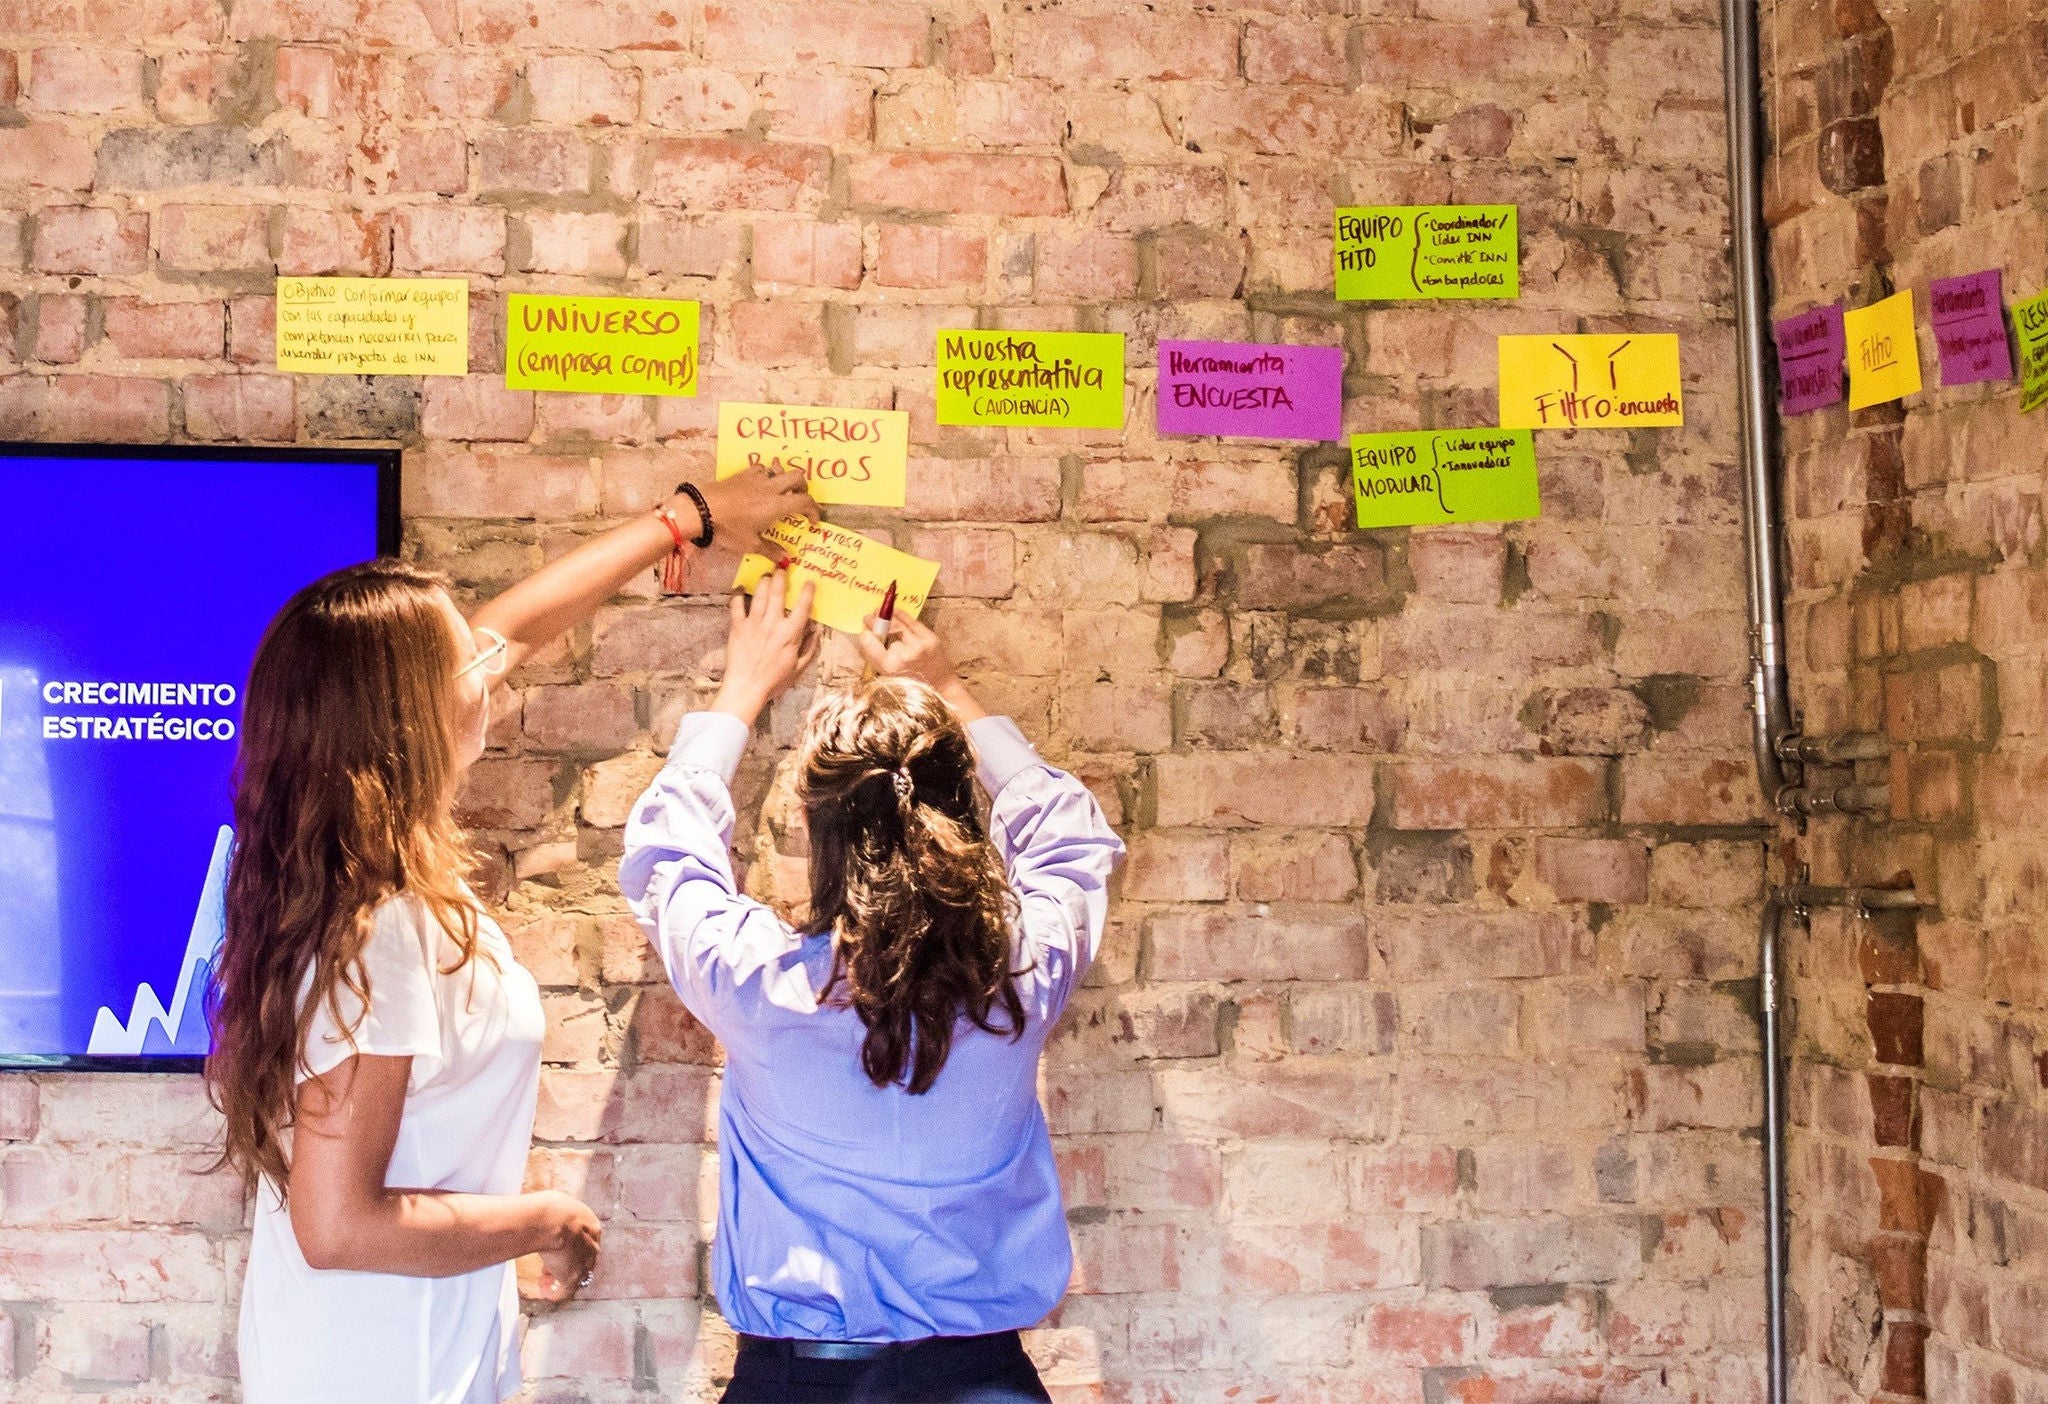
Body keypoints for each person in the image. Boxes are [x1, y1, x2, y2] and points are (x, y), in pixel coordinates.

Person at [204, 468, 817, 1404]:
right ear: (405, 714)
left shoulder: (356, 883)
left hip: (394, 1352)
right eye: (466, 666)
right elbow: (335, 1227)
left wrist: (685, 521)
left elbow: (513, 629)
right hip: (373, 1371)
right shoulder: (385, 930)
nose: (491, 667)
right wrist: (544, 1219)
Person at [620, 571, 1126, 1403]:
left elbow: (668, 854)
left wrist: (742, 691)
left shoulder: (757, 982)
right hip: (983, 1381)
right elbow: (1068, 835)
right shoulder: (1025, 973)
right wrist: (947, 690)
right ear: (961, 813)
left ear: (820, 833)